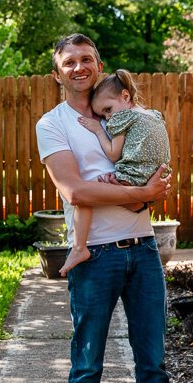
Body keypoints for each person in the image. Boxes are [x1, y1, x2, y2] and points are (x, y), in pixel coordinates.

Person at [35, 33, 171, 383]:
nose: (80, 67)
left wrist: (151, 190)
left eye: (87, 59)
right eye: (70, 62)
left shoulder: (124, 114)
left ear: (98, 63)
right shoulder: (53, 124)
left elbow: (155, 171)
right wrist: (141, 193)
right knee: (87, 366)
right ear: (57, 74)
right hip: (94, 256)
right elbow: (75, 191)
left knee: (153, 365)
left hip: (144, 250)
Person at [58, 69, 171, 276]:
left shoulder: (123, 118)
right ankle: (136, 200)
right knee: (126, 198)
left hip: (134, 174)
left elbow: (112, 154)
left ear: (125, 96)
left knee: (86, 195)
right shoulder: (153, 115)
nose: (108, 118)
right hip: (155, 175)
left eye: (108, 110)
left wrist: (99, 130)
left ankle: (79, 248)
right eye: (104, 115)